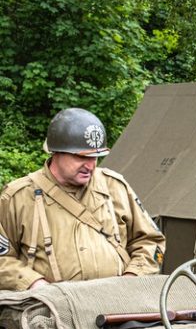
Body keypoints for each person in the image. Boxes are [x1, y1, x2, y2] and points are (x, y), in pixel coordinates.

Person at [0, 108, 166, 291]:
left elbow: (151, 241)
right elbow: (2, 260)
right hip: (50, 310)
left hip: (117, 307)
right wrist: (33, 283)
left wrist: (133, 277)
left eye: (95, 156)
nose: (90, 165)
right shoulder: (17, 197)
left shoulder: (115, 187)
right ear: (56, 152)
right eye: (81, 156)